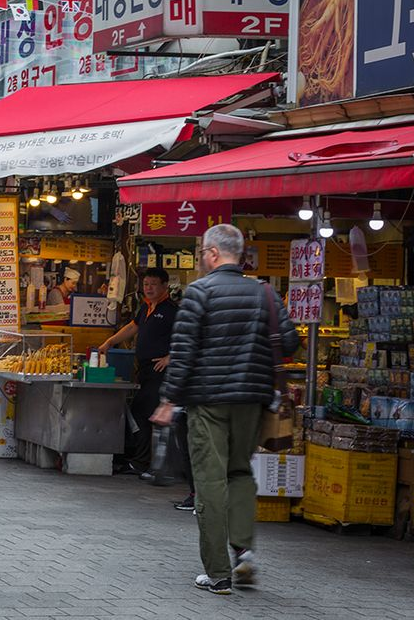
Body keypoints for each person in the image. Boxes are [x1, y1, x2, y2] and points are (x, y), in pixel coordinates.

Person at [154, 224, 299, 595]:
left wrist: (169, 400)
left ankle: (218, 573)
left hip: (208, 402)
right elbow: (291, 342)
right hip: (252, 400)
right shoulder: (265, 292)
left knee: (210, 482)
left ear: (214, 253)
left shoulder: (200, 292)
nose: (202, 257)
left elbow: (183, 353)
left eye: (203, 252)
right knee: (239, 474)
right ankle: (244, 551)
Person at [99, 268, 178, 475]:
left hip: (160, 372)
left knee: (146, 414)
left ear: (164, 286)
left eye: (153, 284)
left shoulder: (172, 310)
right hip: (144, 369)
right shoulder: (146, 308)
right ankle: (142, 461)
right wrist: (110, 341)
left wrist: (171, 357)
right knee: (140, 413)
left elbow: (187, 337)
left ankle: (147, 464)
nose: (148, 288)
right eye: (145, 284)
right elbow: (133, 327)